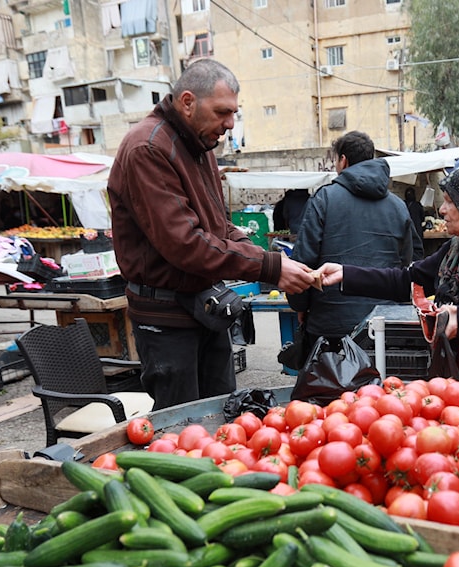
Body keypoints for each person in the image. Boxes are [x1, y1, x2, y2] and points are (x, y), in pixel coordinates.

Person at [109, 59, 317, 409]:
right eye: (222, 112)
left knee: (224, 413)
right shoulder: (148, 148)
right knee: (181, 429)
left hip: (204, 308)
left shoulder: (200, 146)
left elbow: (219, 225)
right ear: (187, 102)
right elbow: (187, 245)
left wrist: (276, 261)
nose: (230, 124)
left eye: (234, 112)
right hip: (167, 319)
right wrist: (268, 267)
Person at [316, 165, 459, 390]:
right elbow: (407, 280)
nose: (442, 210)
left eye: (451, 202)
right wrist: (346, 274)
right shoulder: (456, 250)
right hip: (457, 381)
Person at [286, 131, 420, 353]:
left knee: (331, 387)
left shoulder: (325, 198)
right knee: (382, 387)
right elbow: (408, 261)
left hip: (331, 325)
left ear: (343, 160)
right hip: (385, 324)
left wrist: (300, 305)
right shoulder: (398, 206)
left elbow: (304, 261)